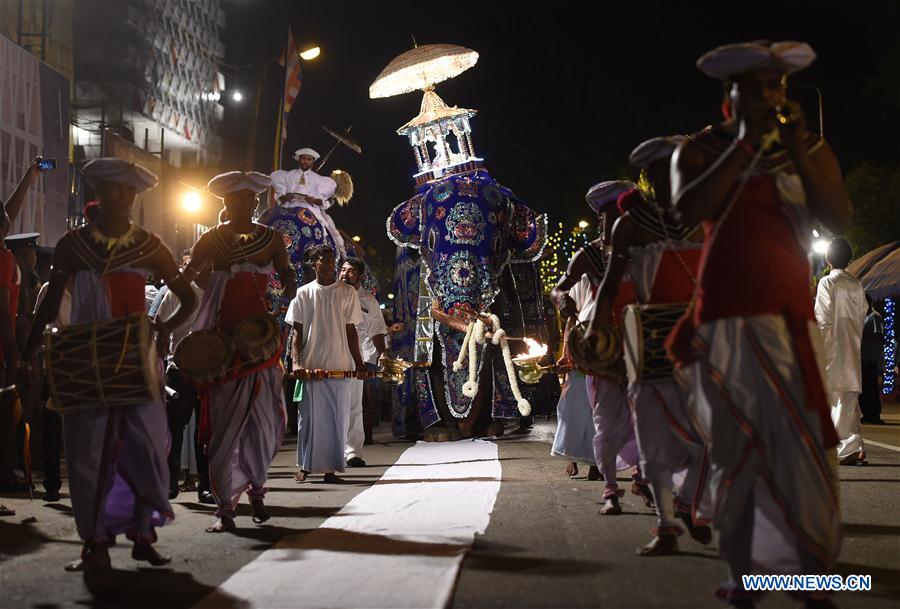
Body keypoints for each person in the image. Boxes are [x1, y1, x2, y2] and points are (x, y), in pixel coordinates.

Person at [669, 41, 850, 606]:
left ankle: (810, 578)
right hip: (724, 323)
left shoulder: (810, 146)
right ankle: (744, 577)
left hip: (789, 320)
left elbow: (837, 217)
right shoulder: (698, 150)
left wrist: (793, 147)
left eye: (776, 86)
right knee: (735, 455)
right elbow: (686, 213)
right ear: (730, 94)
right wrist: (745, 146)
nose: (770, 95)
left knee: (803, 451)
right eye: (756, 86)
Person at [20, 157, 198, 570]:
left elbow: (188, 298)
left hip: (138, 364)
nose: (125, 196)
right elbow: (48, 304)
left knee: (148, 449)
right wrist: (27, 357)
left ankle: (142, 533)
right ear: (97, 192)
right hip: (84, 363)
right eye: (116, 188)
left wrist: (163, 327)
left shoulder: (151, 246)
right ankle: (95, 543)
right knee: (86, 455)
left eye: (130, 190)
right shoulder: (72, 246)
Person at [586, 141, 711, 553]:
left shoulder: (710, 215)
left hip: (703, 337)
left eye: (669, 171)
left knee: (711, 431)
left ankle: (689, 499)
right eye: (653, 175)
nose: (662, 180)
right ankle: (666, 525)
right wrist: (596, 327)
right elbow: (609, 283)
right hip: (647, 338)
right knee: (653, 436)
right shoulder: (631, 224)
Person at [186, 171, 294, 533]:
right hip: (222, 348)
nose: (244, 204)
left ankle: (258, 492)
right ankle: (225, 509)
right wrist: (215, 286)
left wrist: (284, 298)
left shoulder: (272, 239)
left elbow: (286, 273)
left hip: (260, 344)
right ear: (226, 204)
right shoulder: (211, 240)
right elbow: (189, 276)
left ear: (257, 202)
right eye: (236, 199)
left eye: (250, 199)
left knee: (263, 425)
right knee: (222, 432)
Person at [553, 180, 648, 510]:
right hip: (603, 345)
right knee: (606, 420)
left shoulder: (644, 248)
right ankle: (610, 489)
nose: (619, 220)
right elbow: (559, 288)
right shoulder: (591, 254)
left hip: (642, 341)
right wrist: (562, 300)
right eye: (612, 215)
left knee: (646, 415)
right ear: (601, 217)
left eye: (624, 212)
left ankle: (642, 475)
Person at [288, 245, 365, 483]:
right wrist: (296, 363)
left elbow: (351, 330)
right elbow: (297, 333)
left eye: (333, 260)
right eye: (325, 260)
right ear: (315, 264)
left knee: (336, 419)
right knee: (308, 419)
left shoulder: (347, 292)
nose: (331, 264)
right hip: (312, 365)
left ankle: (330, 469)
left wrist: (359, 363)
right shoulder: (303, 293)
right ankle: (305, 466)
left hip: (339, 363)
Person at [154, 261, 213, 503]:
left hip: (209, 372)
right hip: (179, 370)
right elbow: (160, 323)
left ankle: (206, 486)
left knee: (206, 430)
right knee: (173, 427)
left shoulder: (219, 292)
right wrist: (159, 364)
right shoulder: (176, 292)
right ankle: (169, 481)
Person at [815, 237, 868, 465]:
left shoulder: (827, 283)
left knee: (830, 397)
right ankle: (852, 445)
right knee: (848, 397)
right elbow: (862, 314)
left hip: (831, 346)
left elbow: (822, 318)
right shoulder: (856, 284)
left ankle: (840, 448)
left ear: (828, 258)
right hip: (852, 345)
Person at [339, 257, 389, 465]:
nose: (344, 274)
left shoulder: (369, 301)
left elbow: (377, 330)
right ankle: (329, 449)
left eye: (350, 271)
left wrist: (383, 353)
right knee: (331, 403)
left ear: (360, 276)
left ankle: (352, 452)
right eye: (342, 270)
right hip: (330, 353)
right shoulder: (330, 293)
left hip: (357, 356)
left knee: (354, 405)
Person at [269, 147, 343, 257]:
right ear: (298, 159)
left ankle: (337, 255)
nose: (306, 161)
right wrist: (286, 197)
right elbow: (280, 197)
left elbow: (322, 201)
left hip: (311, 209)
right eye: (303, 158)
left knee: (328, 229)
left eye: (309, 159)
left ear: (313, 162)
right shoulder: (287, 175)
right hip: (288, 207)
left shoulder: (318, 179)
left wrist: (313, 200)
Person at [860, 294, 885, 424]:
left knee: (871, 388)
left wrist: (860, 334)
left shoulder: (874, 317)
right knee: (864, 388)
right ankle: (867, 414)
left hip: (871, 359)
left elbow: (878, 335)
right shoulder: (863, 318)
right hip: (863, 358)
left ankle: (874, 415)